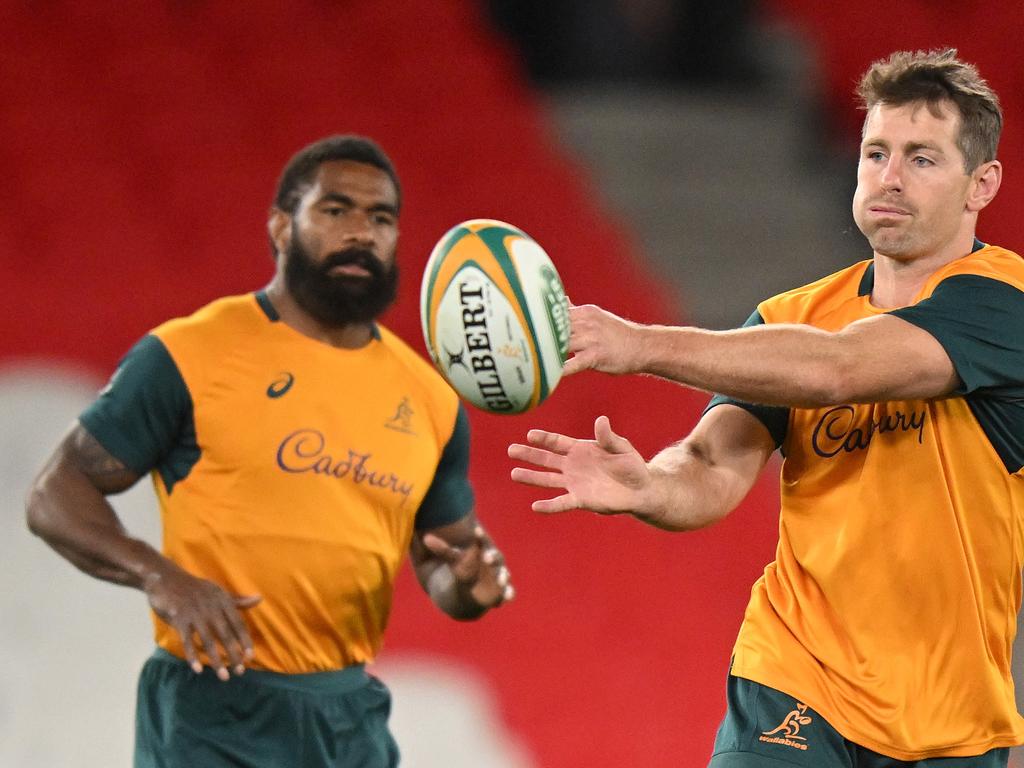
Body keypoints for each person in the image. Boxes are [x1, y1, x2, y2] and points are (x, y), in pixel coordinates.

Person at [509, 48, 1024, 766]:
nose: (889, 177)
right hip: (794, 682)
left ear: (982, 184)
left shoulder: (1004, 302)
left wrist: (642, 343)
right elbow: (713, 465)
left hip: (951, 722)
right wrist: (651, 486)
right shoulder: (791, 316)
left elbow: (839, 370)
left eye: (922, 159)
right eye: (875, 152)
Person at [26, 135, 514, 768]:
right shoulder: (190, 354)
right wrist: (159, 574)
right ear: (282, 226)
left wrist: (471, 585)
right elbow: (54, 495)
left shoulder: (429, 400)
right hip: (214, 708)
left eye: (381, 217)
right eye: (335, 211)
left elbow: (444, 564)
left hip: (348, 719)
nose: (361, 232)